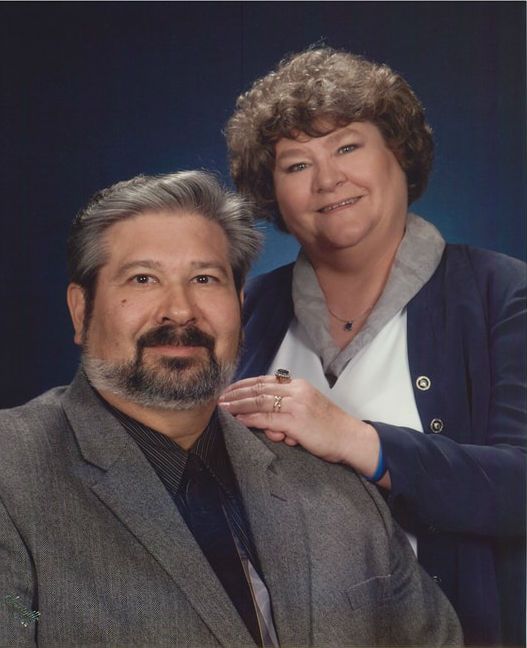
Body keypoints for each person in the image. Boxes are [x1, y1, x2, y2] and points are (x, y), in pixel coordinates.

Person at [0, 170, 461, 647]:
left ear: (240, 307)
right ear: (81, 311)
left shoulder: (335, 488)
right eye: (143, 279)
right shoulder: (11, 476)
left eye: (204, 279)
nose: (180, 310)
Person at [221, 47, 527, 647]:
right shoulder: (242, 311)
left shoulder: (504, 294)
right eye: (296, 164)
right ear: (271, 192)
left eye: (347, 147)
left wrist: (354, 439)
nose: (327, 179)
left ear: (399, 154)